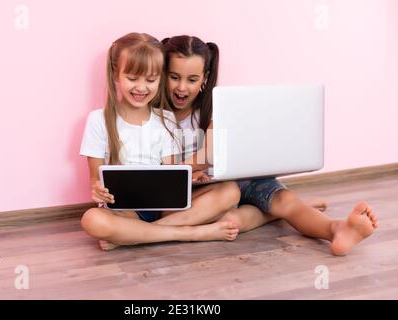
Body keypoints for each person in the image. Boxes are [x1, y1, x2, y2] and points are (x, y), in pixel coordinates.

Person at [159, 35, 379, 256]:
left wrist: (187, 169)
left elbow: (207, 155)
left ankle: (336, 229)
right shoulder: (156, 114)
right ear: (163, 74)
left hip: (234, 177)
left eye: (192, 80)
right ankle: (275, 213)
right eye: (175, 77)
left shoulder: (215, 106)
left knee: (285, 201)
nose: (181, 87)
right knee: (231, 221)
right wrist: (189, 173)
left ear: (204, 78)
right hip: (210, 191)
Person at [80, 33, 244, 251]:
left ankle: (134, 235)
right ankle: (191, 233)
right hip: (124, 210)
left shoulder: (166, 119)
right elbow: (95, 179)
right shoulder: (97, 120)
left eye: (150, 80)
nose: (141, 88)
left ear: (160, 78)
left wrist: (191, 177)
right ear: (115, 74)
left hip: (165, 208)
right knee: (92, 219)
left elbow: (170, 171)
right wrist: (97, 190)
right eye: (132, 78)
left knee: (231, 191)